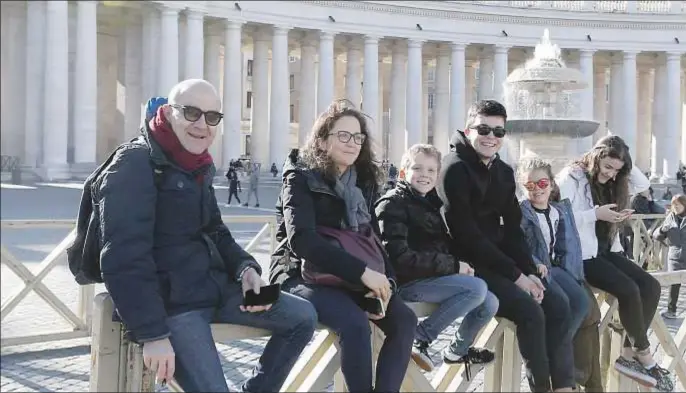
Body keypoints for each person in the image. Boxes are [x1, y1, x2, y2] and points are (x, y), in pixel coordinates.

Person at [98, 79, 317, 392]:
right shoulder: (133, 163)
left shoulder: (198, 164)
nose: (202, 125)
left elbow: (215, 229)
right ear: (167, 112)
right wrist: (152, 335)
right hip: (174, 308)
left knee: (303, 316)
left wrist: (246, 268)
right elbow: (122, 258)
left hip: (213, 289)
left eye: (212, 117)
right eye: (191, 113)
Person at [269, 100, 418, 392]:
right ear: (323, 141)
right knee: (353, 322)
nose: (353, 143)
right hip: (301, 273)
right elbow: (303, 241)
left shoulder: (362, 181)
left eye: (358, 137)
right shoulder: (299, 176)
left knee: (404, 320)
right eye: (343, 135)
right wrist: (363, 273)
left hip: (349, 277)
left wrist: (387, 283)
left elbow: (372, 236)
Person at [437, 99, 574, 392]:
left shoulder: (502, 171)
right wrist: (517, 276)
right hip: (467, 261)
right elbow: (466, 236)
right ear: (468, 128)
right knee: (530, 313)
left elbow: (512, 229)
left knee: (559, 305)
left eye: (498, 132)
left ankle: (563, 386)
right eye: (484, 129)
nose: (491, 137)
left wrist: (529, 271)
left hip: (498, 258)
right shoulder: (453, 169)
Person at [556, 135, 673, 391]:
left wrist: (623, 159)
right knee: (629, 289)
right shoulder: (571, 176)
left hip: (607, 249)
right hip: (582, 255)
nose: (610, 174)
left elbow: (641, 184)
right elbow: (559, 217)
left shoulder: (616, 178)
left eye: (617, 170)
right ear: (595, 157)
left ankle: (629, 356)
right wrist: (595, 214)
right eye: (607, 166)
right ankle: (644, 355)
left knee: (650, 285)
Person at [375, 144, 498, 374]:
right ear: (403, 172)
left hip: (429, 278)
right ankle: (420, 337)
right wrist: (454, 266)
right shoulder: (392, 204)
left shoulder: (431, 202)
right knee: (476, 289)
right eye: (417, 168)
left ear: (437, 174)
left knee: (490, 301)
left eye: (431, 171)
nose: (425, 175)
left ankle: (457, 350)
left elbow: (439, 246)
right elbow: (399, 258)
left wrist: (462, 265)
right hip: (404, 283)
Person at [517, 157, 599, 392]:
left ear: (551, 184)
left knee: (582, 303)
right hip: (534, 268)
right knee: (562, 304)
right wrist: (532, 263)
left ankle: (554, 346)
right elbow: (517, 244)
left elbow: (565, 246)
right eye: (530, 185)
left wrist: (573, 271)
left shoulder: (558, 211)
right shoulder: (521, 212)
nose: (537, 190)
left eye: (542, 183)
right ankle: (557, 364)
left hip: (555, 267)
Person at [654, 194, 686, 319]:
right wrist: (662, 229)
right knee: (674, 284)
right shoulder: (670, 218)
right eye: (674, 205)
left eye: (678, 204)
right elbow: (656, 236)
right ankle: (671, 310)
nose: (676, 207)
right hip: (674, 256)